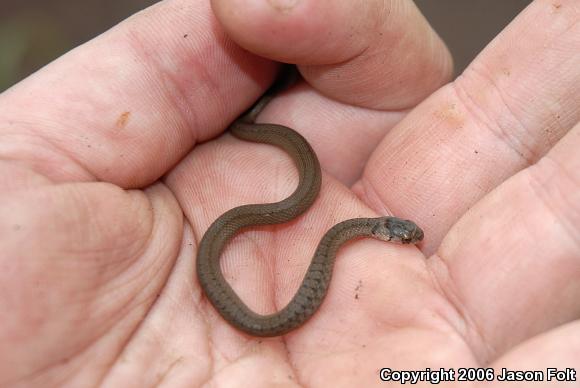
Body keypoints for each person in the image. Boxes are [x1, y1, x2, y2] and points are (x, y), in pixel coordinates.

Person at [0, 0, 578, 386]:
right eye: (400, 235)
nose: (401, 237)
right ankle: (253, 111)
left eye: (401, 236)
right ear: (385, 232)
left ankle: (257, 108)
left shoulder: (339, 230)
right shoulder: (331, 224)